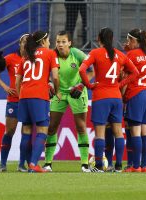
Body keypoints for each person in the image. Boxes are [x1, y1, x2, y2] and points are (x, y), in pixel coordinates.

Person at [79, 27, 139, 172]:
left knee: (100, 133)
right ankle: (118, 166)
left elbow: (82, 70)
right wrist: (119, 84)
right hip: (116, 97)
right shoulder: (120, 55)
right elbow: (135, 73)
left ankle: (99, 166)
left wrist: (88, 85)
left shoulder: (95, 53)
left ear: (99, 38)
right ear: (112, 39)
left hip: (101, 97)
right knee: (118, 131)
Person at [42, 31, 93, 172]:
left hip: (77, 92)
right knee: (52, 126)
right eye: (58, 41)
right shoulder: (52, 55)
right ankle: (48, 163)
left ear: (69, 43)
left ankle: (84, 164)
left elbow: (92, 69)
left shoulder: (77, 54)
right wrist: (48, 84)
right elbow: (44, 73)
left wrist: (82, 84)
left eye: (63, 41)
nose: (60, 44)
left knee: (81, 126)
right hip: (59, 93)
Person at [15, 31, 60, 173]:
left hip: (24, 95)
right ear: (43, 41)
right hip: (39, 96)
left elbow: (18, 80)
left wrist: (20, 94)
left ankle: (26, 164)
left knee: (26, 130)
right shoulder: (50, 53)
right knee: (42, 131)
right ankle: (33, 164)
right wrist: (57, 91)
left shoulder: (26, 56)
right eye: (48, 40)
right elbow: (56, 76)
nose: (49, 43)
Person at [0, 34, 29, 172]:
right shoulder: (11, 58)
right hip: (13, 101)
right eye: (23, 42)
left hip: (28, 101)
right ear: (19, 43)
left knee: (26, 133)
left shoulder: (33, 59)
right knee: (9, 132)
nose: (25, 44)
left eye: (28, 42)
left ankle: (22, 165)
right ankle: (2, 165)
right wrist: (5, 87)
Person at [122, 29, 146, 173]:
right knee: (145, 131)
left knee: (135, 132)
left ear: (135, 40)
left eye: (130, 40)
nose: (128, 43)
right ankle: (145, 166)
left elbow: (122, 74)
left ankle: (135, 166)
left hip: (136, 94)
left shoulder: (131, 54)